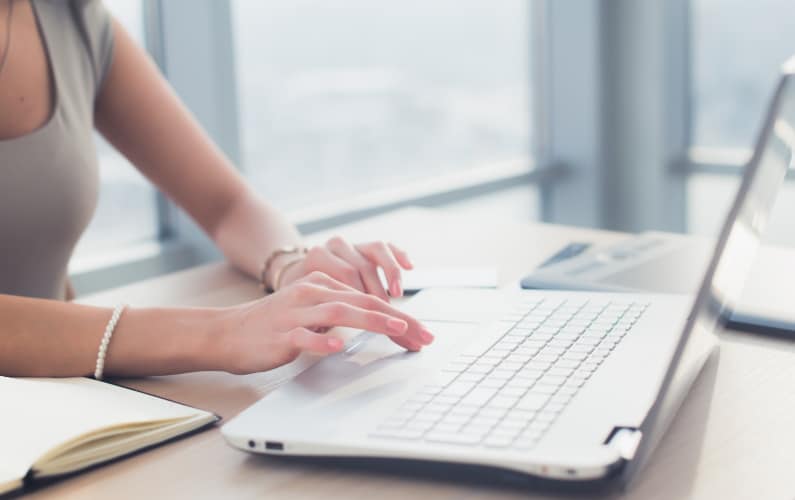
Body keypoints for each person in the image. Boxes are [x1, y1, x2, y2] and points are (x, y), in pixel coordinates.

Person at [0, 0, 434, 378]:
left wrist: (291, 267)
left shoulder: (69, 18)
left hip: (56, 403)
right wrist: (220, 332)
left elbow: (228, 204)